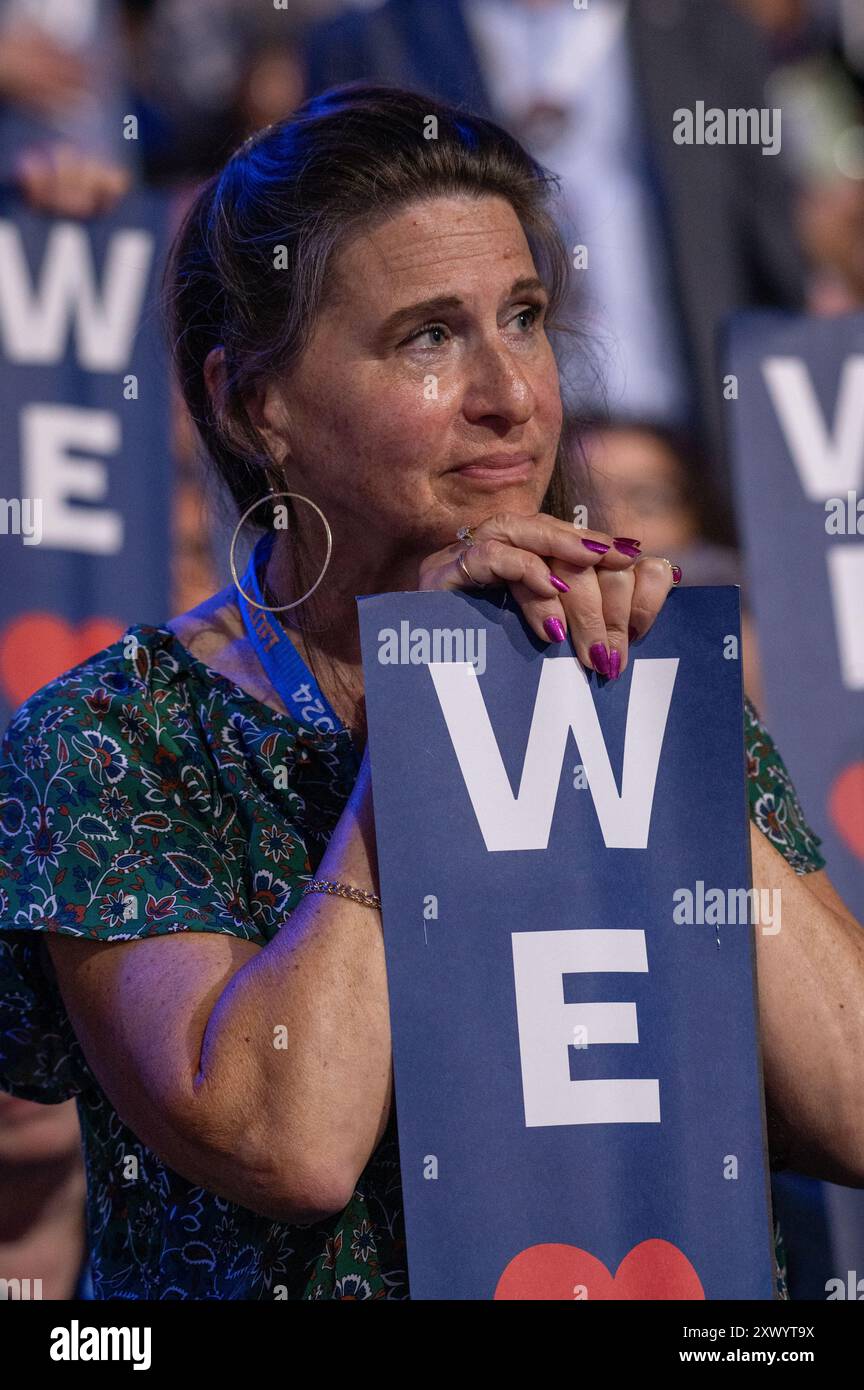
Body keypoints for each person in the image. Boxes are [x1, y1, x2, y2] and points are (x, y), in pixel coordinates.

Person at [0, 84, 862, 1301]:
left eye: (524, 317)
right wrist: (440, 692)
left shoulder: (630, 662)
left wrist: (655, 728)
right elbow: (284, 1142)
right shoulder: (113, 733)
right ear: (261, 404)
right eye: (427, 337)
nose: (512, 393)